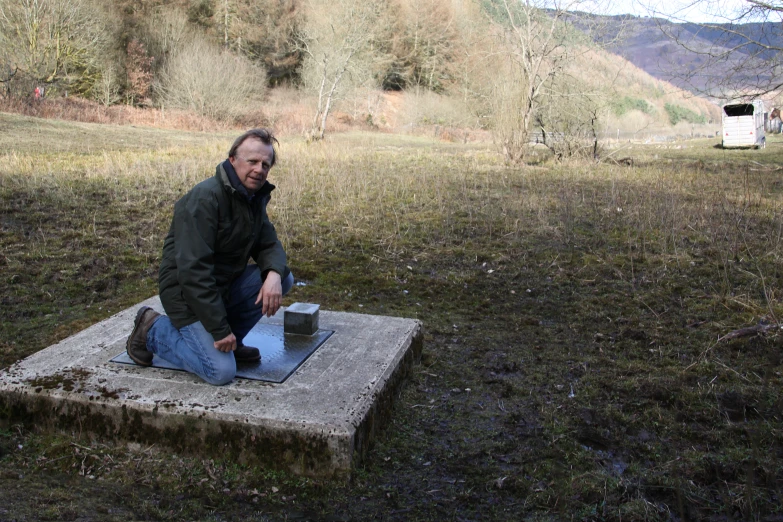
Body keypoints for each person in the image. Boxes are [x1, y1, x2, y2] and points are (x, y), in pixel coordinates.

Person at [126, 128, 293, 385]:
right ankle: (153, 330)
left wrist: (273, 275)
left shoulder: (251, 199)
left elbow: (269, 243)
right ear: (232, 160)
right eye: (252, 161)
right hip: (188, 295)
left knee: (284, 278)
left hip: (222, 287)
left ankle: (231, 341)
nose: (259, 169)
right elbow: (193, 273)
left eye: (265, 164)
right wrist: (219, 329)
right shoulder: (205, 199)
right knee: (220, 372)